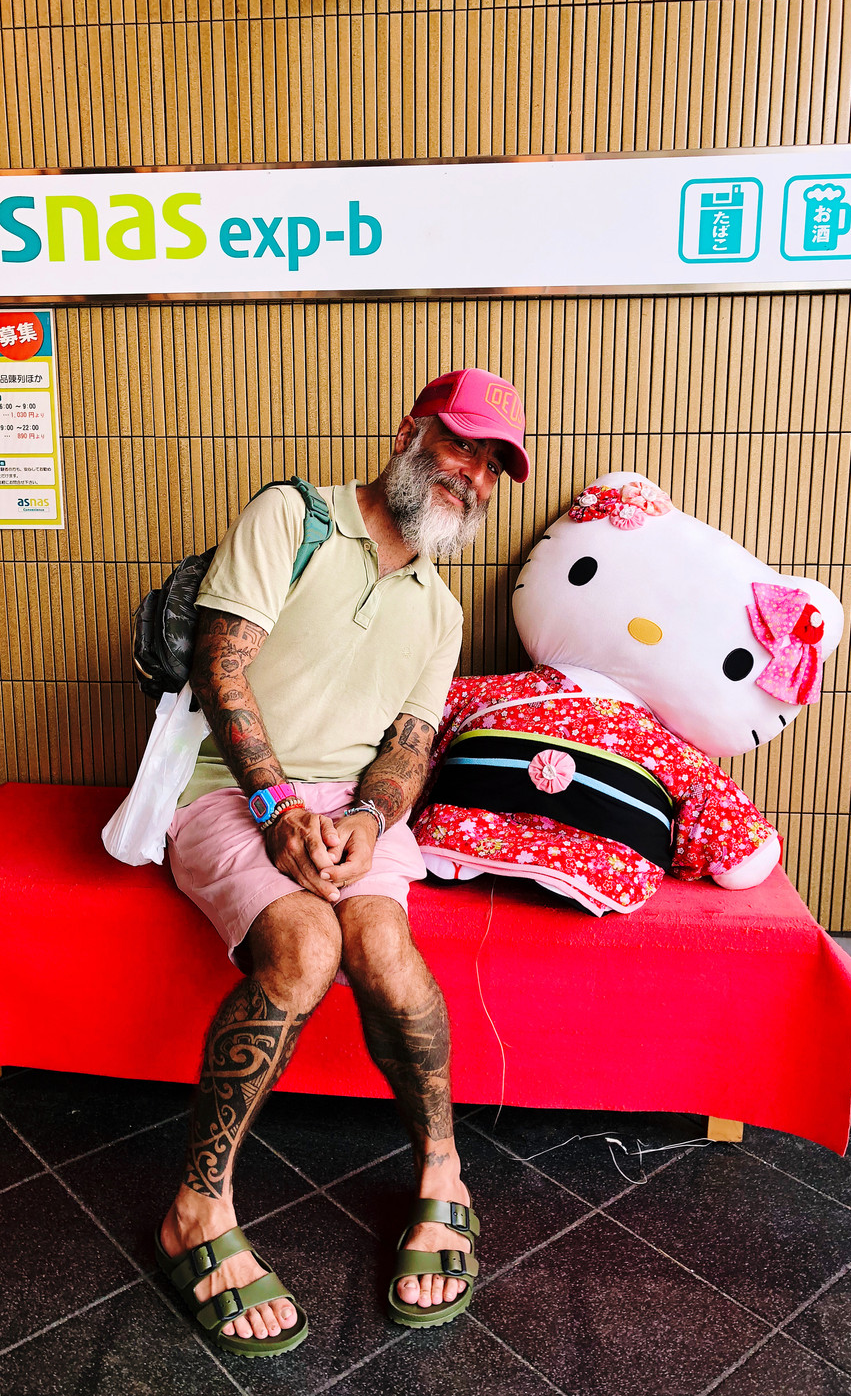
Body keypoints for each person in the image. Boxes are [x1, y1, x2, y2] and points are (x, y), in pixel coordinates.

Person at [156, 368, 531, 1357]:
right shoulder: (294, 515)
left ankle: (444, 1175)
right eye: (462, 446)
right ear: (411, 430)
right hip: (229, 786)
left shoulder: (441, 611)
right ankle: (198, 1206)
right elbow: (222, 663)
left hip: (352, 811)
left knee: (384, 949)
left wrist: (372, 812)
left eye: (493, 466)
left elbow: (409, 745)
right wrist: (277, 803)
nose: (475, 476)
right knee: (307, 944)